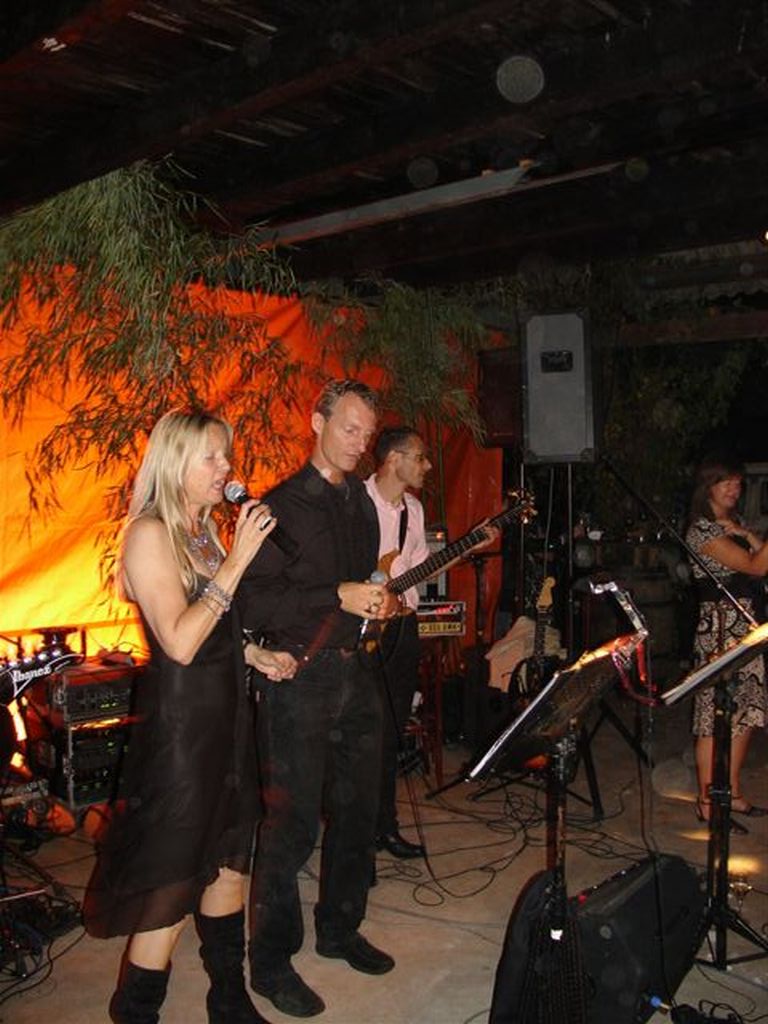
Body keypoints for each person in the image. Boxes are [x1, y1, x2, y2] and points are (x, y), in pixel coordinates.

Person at [83, 410, 297, 1024]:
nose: (227, 468)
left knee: (229, 864)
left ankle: (228, 998)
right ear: (175, 462)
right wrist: (238, 562)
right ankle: (135, 1012)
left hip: (228, 724)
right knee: (173, 884)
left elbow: (213, 630)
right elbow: (177, 642)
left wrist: (253, 653)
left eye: (226, 455)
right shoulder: (149, 534)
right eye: (212, 457)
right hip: (183, 738)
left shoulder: (204, 531)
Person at [237, 379, 398, 1019]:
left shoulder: (361, 503)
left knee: (359, 813)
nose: (360, 443)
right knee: (292, 824)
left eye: (367, 433)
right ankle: (270, 963)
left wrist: (376, 601)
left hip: (355, 673)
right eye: (349, 428)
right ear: (316, 422)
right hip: (296, 680)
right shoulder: (279, 506)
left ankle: (339, 928)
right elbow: (252, 603)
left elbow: (361, 588)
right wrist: (337, 594)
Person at [365, 426, 498, 859]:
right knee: (362, 736)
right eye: (419, 457)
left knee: (391, 732)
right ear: (393, 459)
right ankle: (357, 832)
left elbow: (421, 568)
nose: (426, 466)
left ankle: (385, 826)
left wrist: (468, 544)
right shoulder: (355, 502)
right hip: (362, 632)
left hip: (403, 629)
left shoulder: (415, 510)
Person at [686, 454, 768, 828]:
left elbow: (758, 562)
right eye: (726, 482)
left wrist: (748, 534)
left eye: (737, 482)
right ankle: (707, 799)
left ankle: (730, 792)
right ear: (708, 487)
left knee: (746, 712)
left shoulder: (730, 527)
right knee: (713, 716)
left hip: (745, 627)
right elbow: (755, 565)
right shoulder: (702, 531)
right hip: (721, 630)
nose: (735, 488)